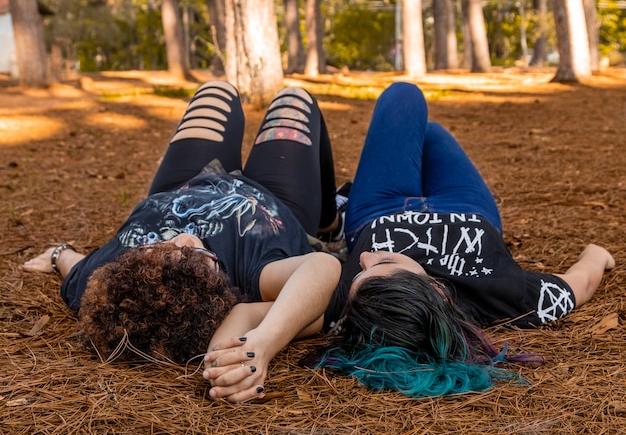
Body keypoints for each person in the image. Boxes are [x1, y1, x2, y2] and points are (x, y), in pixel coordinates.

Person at [23, 81, 342, 403]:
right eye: (196, 254)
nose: (183, 238)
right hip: (277, 197)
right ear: (217, 287)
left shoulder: (113, 282)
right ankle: (330, 219)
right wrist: (262, 341)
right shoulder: (249, 276)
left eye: (161, 248)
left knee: (216, 91)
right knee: (294, 99)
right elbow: (322, 266)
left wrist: (56, 254)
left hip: (184, 182)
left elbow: (73, 266)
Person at [315, 82, 615, 398]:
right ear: (436, 290)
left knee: (403, 97)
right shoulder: (506, 296)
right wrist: (599, 255)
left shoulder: (351, 304)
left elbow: (273, 307)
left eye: (359, 271)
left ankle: (338, 216)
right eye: (383, 262)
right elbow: (579, 283)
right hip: (463, 205)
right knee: (431, 133)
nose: (363, 258)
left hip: (379, 208)